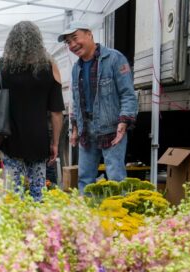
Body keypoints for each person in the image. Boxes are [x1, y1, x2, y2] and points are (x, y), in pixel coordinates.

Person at [0, 21, 64, 201]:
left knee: (14, 194)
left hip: (9, 137)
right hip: (39, 139)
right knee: (38, 192)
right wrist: (55, 143)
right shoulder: (50, 66)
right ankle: (37, 227)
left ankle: (15, 227)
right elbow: (56, 111)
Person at [58, 21, 137, 193]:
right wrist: (75, 128)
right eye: (68, 42)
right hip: (87, 129)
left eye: (74, 38)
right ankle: (86, 217)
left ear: (89, 34)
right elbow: (77, 100)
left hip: (111, 128)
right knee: (85, 178)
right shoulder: (76, 68)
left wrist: (124, 121)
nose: (72, 45)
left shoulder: (115, 58)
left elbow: (128, 94)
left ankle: (119, 217)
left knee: (116, 178)